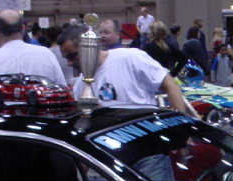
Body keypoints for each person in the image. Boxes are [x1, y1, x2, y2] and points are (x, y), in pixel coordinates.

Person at [59, 25, 189, 114]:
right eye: (66, 58)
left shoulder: (131, 58)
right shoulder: (80, 87)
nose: (69, 63)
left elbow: (170, 85)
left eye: (72, 56)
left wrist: (180, 128)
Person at [0, 10, 66, 105]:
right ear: (23, 29)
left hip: (3, 114)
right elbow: (62, 92)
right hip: (46, 113)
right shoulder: (46, 54)